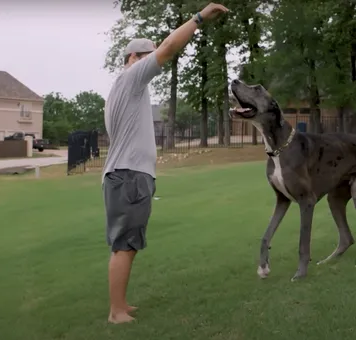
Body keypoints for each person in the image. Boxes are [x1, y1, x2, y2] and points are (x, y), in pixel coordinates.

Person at [101, 2, 229, 324]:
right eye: (145, 56)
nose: (150, 60)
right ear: (132, 59)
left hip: (129, 176)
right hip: (128, 176)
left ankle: (121, 304)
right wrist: (200, 18)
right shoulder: (131, 79)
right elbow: (170, 47)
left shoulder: (125, 90)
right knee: (124, 245)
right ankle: (116, 312)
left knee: (127, 243)